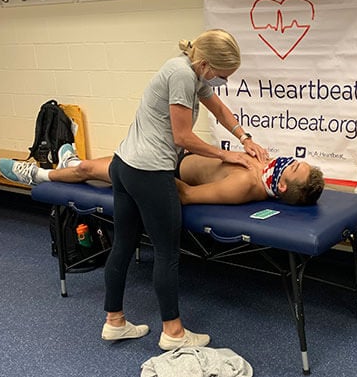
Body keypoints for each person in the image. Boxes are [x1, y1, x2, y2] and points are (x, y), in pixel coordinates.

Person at [102, 29, 269, 351]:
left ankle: (115, 322)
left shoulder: (188, 67)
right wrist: (227, 154)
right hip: (148, 171)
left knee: (122, 244)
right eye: (221, 75)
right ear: (206, 64)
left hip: (123, 165)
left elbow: (219, 109)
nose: (220, 81)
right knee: (167, 252)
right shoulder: (181, 75)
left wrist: (245, 138)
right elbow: (182, 137)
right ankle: (173, 333)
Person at [0, 144, 325, 205]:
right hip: (174, 156)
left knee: (89, 171)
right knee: (94, 165)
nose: (288, 160)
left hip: (164, 168)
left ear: (281, 186)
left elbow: (186, 195)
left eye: (293, 166)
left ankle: (37, 175)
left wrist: (147, 171)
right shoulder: (265, 172)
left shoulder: (244, 185)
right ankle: (68, 163)